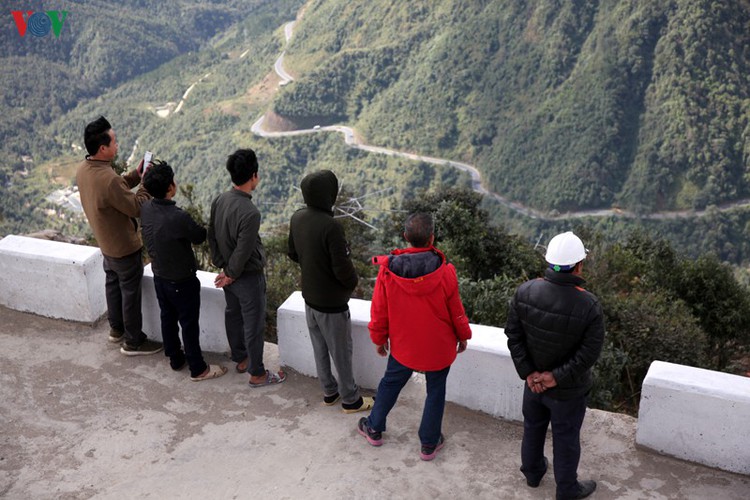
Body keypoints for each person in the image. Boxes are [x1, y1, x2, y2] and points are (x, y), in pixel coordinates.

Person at [357, 212, 472, 461]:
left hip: (404, 346)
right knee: (436, 390)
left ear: (405, 237)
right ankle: (429, 444)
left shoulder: (388, 272)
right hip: (438, 347)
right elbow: (456, 311)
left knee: (391, 383)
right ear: (432, 238)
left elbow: (379, 310)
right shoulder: (446, 271)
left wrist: (379, 338)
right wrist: (463, 336)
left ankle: (374, 427)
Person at [505, 231, 604, 500]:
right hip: (568, 390)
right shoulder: (588, 305)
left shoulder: (524, 292)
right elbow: (588, 354)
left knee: (533, 427)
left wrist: (530, 373)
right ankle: (567, 489)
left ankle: (533, 474)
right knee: (566, 437)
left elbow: (513, 336)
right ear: (579, 266)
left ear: (548, 262)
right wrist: (556, 377)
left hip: (532, 384)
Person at [288, 170, 374, 413]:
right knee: (341, 353)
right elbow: (343, 270)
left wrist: (313, 266)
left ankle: (329, 392)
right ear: (330, 195)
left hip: (310, 298)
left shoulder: (297, 217)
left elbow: (293, 253)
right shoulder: (331, 226)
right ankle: (351, 400)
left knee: (320, 349)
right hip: (331, 303)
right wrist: (349, 285)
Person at [75, 116, 163, 356]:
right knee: (130, 294)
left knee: (112, 285)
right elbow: (137, 207)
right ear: (103, 148)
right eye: (114, 141)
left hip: (106, 244)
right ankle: (134, 341)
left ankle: (116, 330)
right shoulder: (108, 179)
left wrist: (135, 175)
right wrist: (145, 183)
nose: (118, 144)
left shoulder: (85, 169)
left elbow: (114, 190)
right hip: (124, 247)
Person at [140, 160, 227, 381]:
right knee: (188, 324)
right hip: (181, 279)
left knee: (167, 317)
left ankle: (175, 358)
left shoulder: (146, 208)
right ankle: (198, 368)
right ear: (171, 187)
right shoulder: (178, 217)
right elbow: (199, 236)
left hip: (159, 274)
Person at [208, 148, 285, 387]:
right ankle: (258, 373)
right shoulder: (250, 212)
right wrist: (231, 273)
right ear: (254, 175)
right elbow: (243, 250)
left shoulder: (220, 199)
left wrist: (222, 267)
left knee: (233, 315)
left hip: (228, 273)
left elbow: (211, 235)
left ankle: (241, 358)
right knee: (253, 325)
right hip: (247, 276)